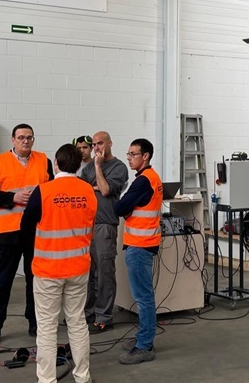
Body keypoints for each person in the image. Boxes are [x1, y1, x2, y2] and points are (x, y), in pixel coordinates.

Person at [21, 144, 97, 383]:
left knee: (47, 327)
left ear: (56, 163)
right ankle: (82, 377)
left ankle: (47, 380)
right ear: (79, 164)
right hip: (78, 267)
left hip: (48, 270)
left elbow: (25, 227)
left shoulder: (43, 191)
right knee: (77, 322)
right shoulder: (88, 191)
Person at [0, 123, 53, 346]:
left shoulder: (44, 161)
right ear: (13, 140)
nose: (25, 141)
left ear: (33, 139)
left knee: (35, 280)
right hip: (9, 232)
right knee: (3, 280)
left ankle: (35, 322)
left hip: (37, 232)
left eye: (29, 137)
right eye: (21, 137)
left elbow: (51, 191)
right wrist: (12, 198)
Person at [113, 138, 162, 365]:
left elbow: (119, 207)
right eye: (128, 154)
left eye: (133, 154)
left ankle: (144, 346)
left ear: (146, 156)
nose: (129, 158)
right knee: (144, 296)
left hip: (140, 245)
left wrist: (124, 206)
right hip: (143, 243)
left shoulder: (143, 181)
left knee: (143, 297)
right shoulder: (151, 177)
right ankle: (143, 337)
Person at [80, 131, 128, 333]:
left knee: (104, 272)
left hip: (105, 225)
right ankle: (88, 313)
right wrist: (96, 186)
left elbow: (106, 190)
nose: (96, 148)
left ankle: (104, 317)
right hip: (87, 225)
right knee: (88, 273)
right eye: (94, 144)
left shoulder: (118, 167)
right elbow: (82, 191)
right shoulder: (87, 168)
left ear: (110, 143)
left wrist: (98, 168)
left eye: (100, 143)